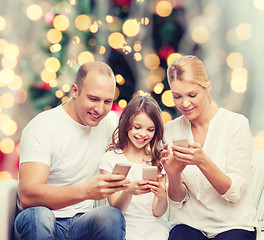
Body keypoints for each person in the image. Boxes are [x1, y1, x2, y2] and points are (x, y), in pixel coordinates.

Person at [14, 61, 130, 240]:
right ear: (75, 91)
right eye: (93, 99)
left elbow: (144, 143)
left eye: (107, 101)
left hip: (82, 222)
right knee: (38, 216)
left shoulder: (109, 124)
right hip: (44, 219)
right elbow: (28, 195)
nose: (100, 109)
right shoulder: (42, 127)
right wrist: (86, 191)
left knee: (110, 217)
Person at [161, 55, 258, 240]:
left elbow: (235, 193)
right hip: (190, 224)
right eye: (177, 96)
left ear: (207, 88)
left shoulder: (236, 124)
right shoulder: (171, 130)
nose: (185, 103)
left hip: (233, 225)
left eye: (192, 95)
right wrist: (173, 175)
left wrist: (202, 161)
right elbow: (177, 200)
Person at [100, 95, 170, 240]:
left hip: (154, 226)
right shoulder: (111, 159)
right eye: (137, 127)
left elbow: (158, 212)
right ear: (126, 125)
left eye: (150, 130)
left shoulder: (158, 160)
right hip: (123, 226)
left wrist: (162, 196)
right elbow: (116, 212)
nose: (143, 134)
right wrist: (129, 192)